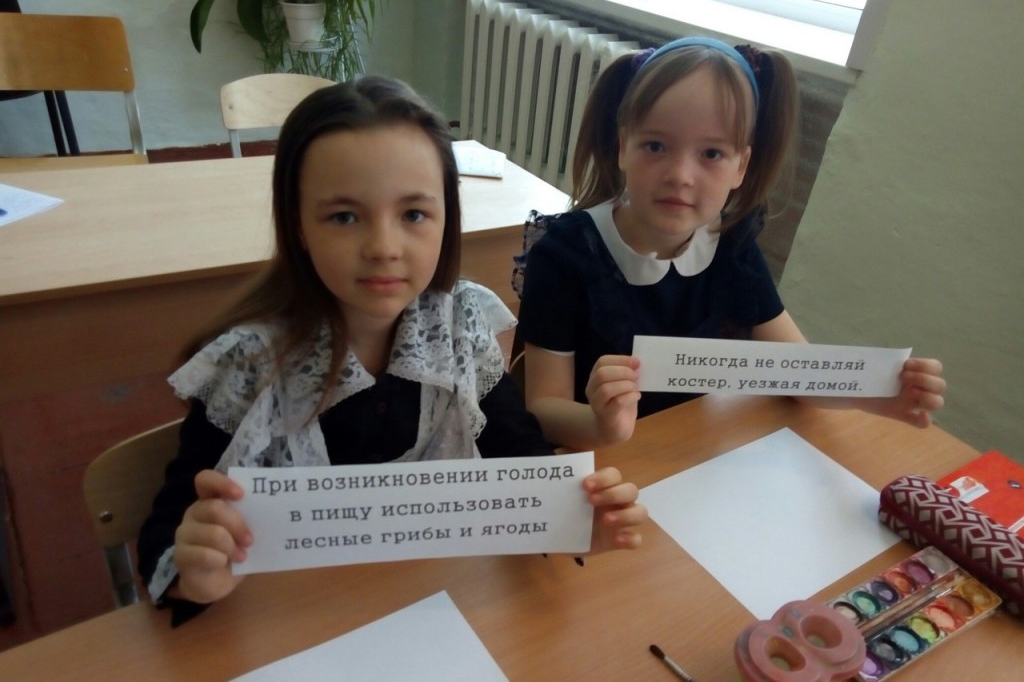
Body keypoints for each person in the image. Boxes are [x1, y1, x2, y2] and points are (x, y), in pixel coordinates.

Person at [136, 76, 647, 624]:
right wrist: (194, 573)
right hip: (295, 627)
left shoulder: (458, 324)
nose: (383, 248)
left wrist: (569, 517)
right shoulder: (251, 364)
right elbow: (171, 529)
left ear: (446, 219)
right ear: (298, 226)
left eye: (413, 215)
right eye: (344, 216)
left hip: (438, 613)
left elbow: (517, 452)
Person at [516, 37, 946, 450]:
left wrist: (874, 392)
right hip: (599, 457)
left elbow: (798, 369)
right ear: (623, 146)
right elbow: (544, 406)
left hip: (694, 448)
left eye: (711, 154)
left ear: (741, 166)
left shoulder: (730, 246)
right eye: (655, 145)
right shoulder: (566, 255)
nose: (680, 175)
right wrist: (602, 426)